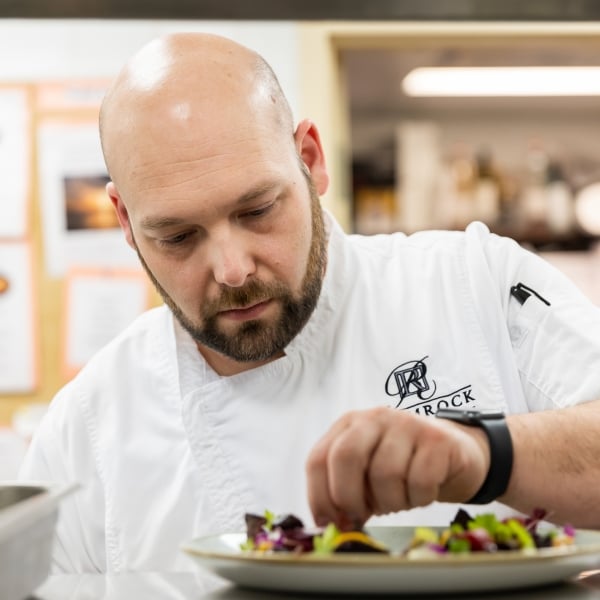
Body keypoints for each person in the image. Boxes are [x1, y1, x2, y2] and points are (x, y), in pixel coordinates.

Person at [19, 32, 600, 574]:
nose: (233, 269)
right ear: (124, 220)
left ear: (310, 159)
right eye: (177, 237)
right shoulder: (86, 430)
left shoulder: (474, 283)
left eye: (257, 210)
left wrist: (480, 453)